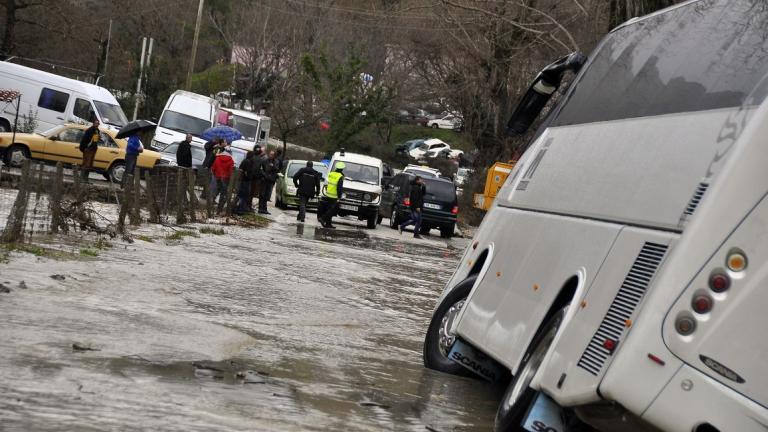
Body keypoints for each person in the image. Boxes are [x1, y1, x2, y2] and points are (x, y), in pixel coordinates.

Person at [319, 162, 345, 229]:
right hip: (334, 196)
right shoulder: (340, 176)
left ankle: (328, 224)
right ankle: (323, 218)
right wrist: (339, 196)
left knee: (329, 209)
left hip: (328, 194)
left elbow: (327, 183)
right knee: (333, 210)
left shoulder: (331, 174)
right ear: (342, 169)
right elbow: (339, 188)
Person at [211, 146, 235, 214]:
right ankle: (219, 209)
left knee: (216, 190)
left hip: (218, 177)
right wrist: (230, 178)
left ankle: (210, 205)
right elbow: (231, 171)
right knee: (223, 193)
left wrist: (215, 175)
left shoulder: (217, 158)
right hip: (225, 179)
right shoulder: (231, 160)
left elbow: (213, 168)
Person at [258, 150, 280, 215]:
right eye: (270, 154)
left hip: (270, 180)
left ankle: (264, 208)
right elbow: (261, 169)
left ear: (274, 156)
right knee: (262, 194)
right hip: (264, 179)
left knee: (267, 195)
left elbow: (277, 170)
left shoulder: (276, 162)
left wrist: (273, 166)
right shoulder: (265, 160)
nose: (270, 156)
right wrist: (264, 175)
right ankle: (260, 208)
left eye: (272, 155)